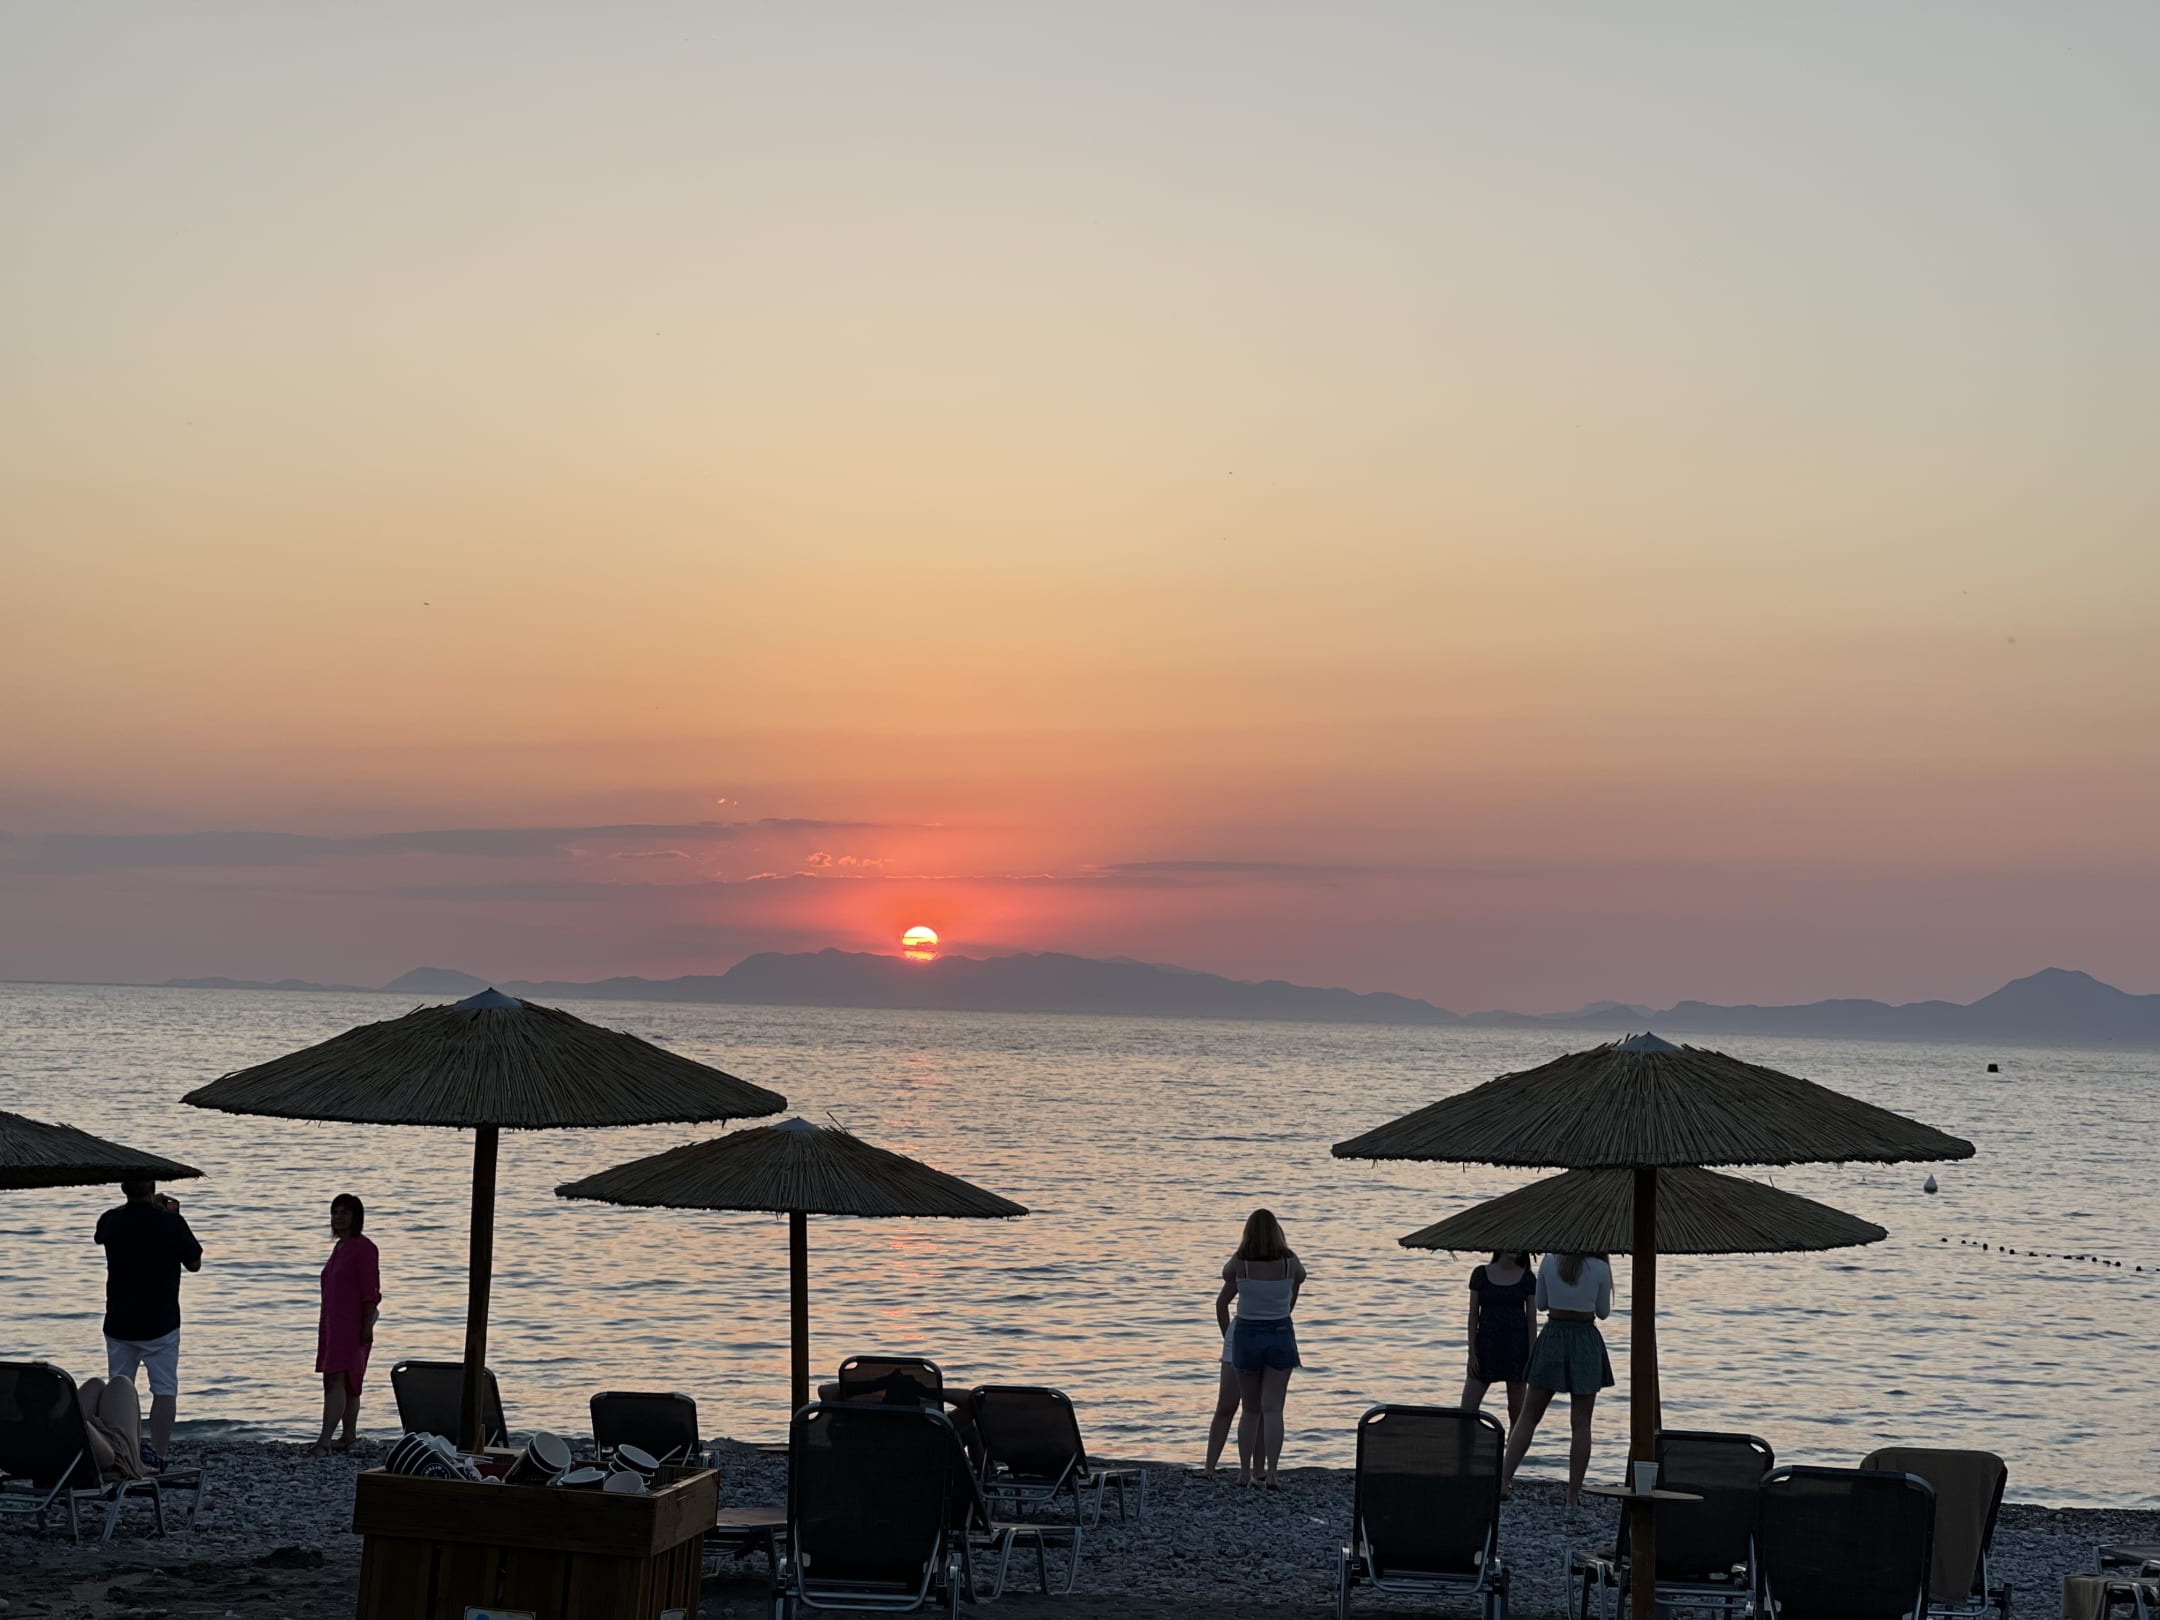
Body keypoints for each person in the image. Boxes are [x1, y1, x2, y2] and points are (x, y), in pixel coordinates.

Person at [94, 1178, 203, 1472]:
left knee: (120, 1388)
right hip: (161, 1321)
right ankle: (159, 1454)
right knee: (164, 1388)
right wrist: (171, 1215)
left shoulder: (111, 1219)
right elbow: (194, 1263)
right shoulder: (170, 1223)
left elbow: (99, 1236)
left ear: (123, 1188)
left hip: (119, 1320)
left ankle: (122, 1452)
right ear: (153, 1188)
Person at [1499, 1250, 1614, 1506]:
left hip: (1553, 1336)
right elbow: (1603, 1312)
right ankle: (1573, 1494)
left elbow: (1541, 1304)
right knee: (1581, 1423)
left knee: (1529, 1417)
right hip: (1584, 1339)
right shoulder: (1599, 1267)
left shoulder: (1550, 1260)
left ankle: (1504, 1480)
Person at [1213, 1208, 1306, 1489]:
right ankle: (1272, 1473)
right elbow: (1299, 1282)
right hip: (1280, 1331)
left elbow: (1225, 1275)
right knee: (1273, 1409)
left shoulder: (1241, 1262)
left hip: (1247, 1333)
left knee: (1251, 1410)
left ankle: (1245, 1473)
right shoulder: (1290, 1262)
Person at [311, 1192, 381, 1455]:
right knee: (347, 1383)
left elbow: (370, 1291)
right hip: (332, 1324)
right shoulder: (340, 1248)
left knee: (337, 1379)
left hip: (351, 1324)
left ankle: (324, 1441)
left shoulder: (364, 1248)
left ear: (356, 1217)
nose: (338, 1217)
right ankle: (348, 1436)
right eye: (335, 1212)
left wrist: (367, 1326)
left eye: (345, 1212)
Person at [1462, 1250, 1538, 1425]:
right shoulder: (1481, 1274)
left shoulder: (1527, 1278)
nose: (1515, 1249)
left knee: (1517, 1414)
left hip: (1516, 1349)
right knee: (1466, 1410)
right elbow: (1473, 1315)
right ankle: (1468, 1443)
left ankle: (1512, 1445)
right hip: (1486, 1347)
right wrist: (1471, 1352)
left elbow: (1531, 1319)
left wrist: (1532, 1354)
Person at [1197, 1326, 1243, 1479]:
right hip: (1239, 1334)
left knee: (1260, 1409)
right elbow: (1221, 1310)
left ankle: (1257, 1471)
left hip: (1271, 1331)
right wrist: (1228, 1336)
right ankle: (1209, 1467)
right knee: (1226, 1406)